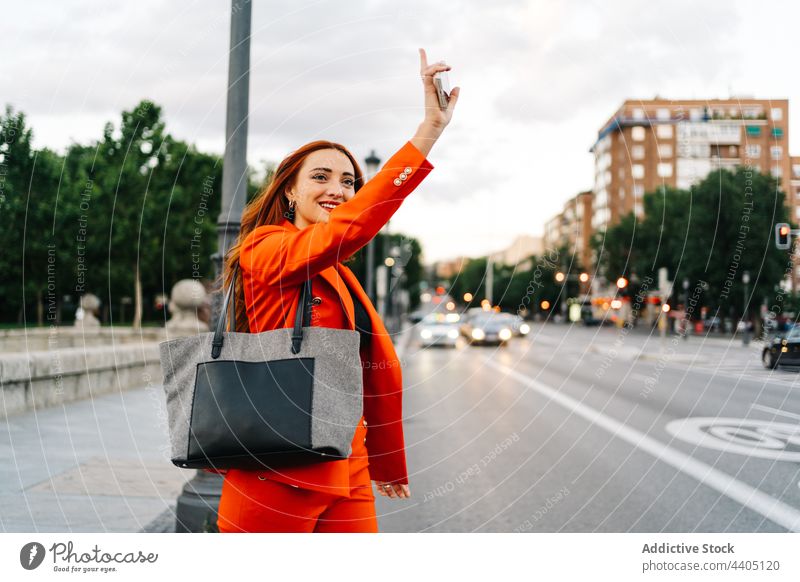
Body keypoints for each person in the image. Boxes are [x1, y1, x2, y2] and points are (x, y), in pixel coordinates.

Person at [215, 48, 459, 533]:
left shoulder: (340, 273)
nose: (337, 190)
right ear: (289, 191)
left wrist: (383, 461)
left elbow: (373, 370)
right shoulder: (263, 248)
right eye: (320, 177)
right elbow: (348, 228)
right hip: (278, 465)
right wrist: (426, 134)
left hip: (346, 460)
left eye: (349, 182)